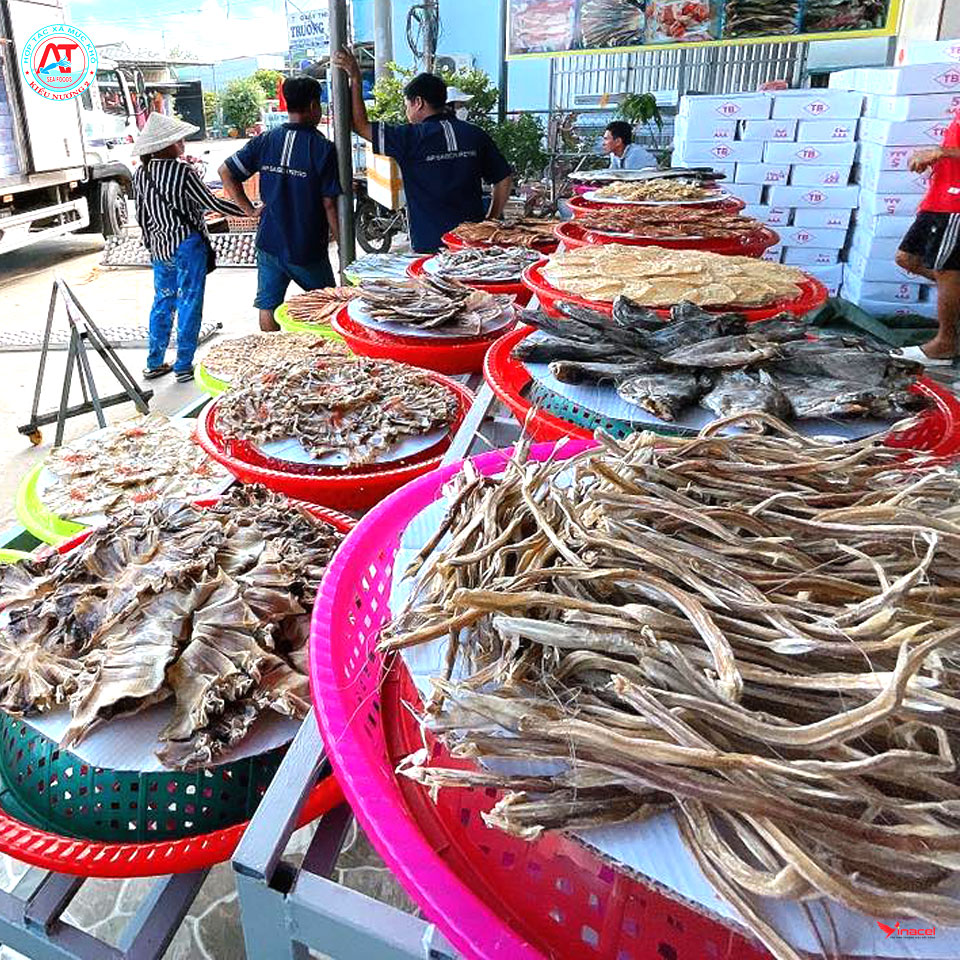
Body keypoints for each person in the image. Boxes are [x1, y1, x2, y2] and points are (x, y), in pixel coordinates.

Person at [332, 48, 513, 254]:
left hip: (429, 247)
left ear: (418, 103)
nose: (406, 111)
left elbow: (359, 126)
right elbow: (504, 178)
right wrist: (490, 220)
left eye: (407, 105)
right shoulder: (474, 134)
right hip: (473, 245)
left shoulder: (410, 137)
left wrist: (355, 77)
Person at [133, 112, 252, 383]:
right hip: (187, 246)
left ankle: (154, 362)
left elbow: (141, 215)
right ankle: (183, 365)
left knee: (163, 302)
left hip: (160, 249)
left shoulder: (141, 173)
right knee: (189, 301)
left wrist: (152, 245)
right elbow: (212, 203)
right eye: (178, 139)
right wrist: (249, 210)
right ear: (164, 145)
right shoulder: (183, 171)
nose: (182, 143)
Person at [219, 76, 341, 332]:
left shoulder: (266, 140)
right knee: (329, 307)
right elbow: (329, 204)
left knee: (268, 306)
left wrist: (250, 210)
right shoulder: (322, 148)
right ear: (313, 106)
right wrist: (343, 244)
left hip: (269, 242)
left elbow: (225, 171)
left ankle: (271, 350)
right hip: (305, 247)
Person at [894, 112, 960, 364]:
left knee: (947, 272)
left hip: (955, 203)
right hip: (940, 198)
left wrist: (941, 152)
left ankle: (945, 343)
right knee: (906, 258)